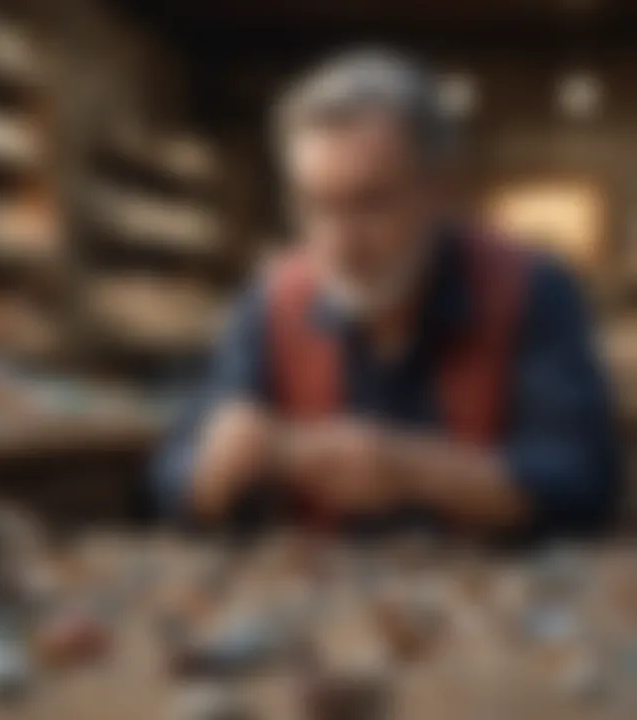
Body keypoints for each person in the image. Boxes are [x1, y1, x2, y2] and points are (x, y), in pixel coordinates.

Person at [152, 49, 620, 539]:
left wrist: (413, 471)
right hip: (322, 602)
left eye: (369, 203)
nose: (340, 242)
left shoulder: (531, 290)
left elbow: (585, 482)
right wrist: (213, 469)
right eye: (316, 206)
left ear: (440, 188)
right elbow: (169, 476)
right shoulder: (271, 302)